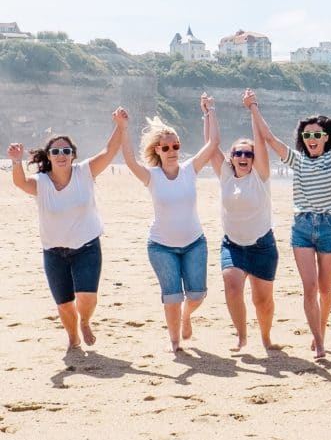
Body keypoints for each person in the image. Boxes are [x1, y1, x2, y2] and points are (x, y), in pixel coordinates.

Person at [244, 87, 331, 360]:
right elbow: (268, 137)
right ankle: (319, 342)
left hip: (329, 226)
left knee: (326, 290)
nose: (312, 138)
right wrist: (252, 105)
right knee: (310, 288)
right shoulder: (297, 159)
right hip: (302, 226)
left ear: (326, 138)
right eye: (307, 135)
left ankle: (321, 331)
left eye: (317, 134)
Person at [6, 111, 126, 350]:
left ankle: (86, 321)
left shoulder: (85, 172)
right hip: (53, 251)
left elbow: (109, 152)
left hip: (87, 247)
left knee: (86, 297)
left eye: (66, 151)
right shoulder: (41, 182)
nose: (61, 155)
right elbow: (20, 183)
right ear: (48, 156)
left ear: (73, 155)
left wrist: (120, 125)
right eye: (56, 151)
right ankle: (73, 337)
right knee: (64, 304)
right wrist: (17, 161)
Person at [118, 102, 218, 353]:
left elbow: (213, 144)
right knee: (172, 296)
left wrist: (210, 111)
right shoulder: (152, 176)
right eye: (166, 147)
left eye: (176, 146)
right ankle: (175, 343)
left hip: (194, 242)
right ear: (158, 151)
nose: (172, 150)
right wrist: (123, 127)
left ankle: (187, 316)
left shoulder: (190, 170)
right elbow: (129, 160)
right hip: (161, 247)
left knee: (197, 295)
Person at [201, 91, 279, 352]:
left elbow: (261, 141)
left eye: (248, 154)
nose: (243, 157)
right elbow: (211, 145)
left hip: (262, 246)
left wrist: (252, 108)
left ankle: (266, 338)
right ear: (231, 157)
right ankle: (242, 336)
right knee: (231, 284)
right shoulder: (225, 174)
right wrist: (208, 111)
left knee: (262, 300)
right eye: (238, 153)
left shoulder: (261, 176)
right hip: (232, 245)